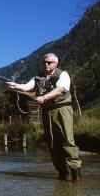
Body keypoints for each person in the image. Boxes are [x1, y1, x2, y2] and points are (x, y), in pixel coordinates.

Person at [6, 53, 82, 182]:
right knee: (52, 143)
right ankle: (62, 174)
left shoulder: (63, 74)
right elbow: (26, 87)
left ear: (55, 64)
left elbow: (59, 90)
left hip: (62, 109)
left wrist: (44, 97)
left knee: (67, 140)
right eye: (44, 62)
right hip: (47, 112)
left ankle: (76, 175)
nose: (46, 64)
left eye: (49, 62)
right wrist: (16, 86)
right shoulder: (38, 77)